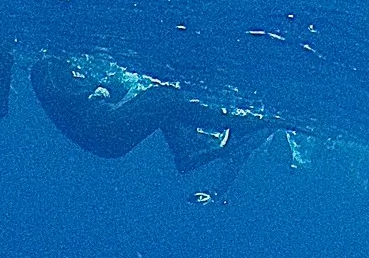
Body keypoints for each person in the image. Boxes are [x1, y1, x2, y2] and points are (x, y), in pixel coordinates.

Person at [31, 55, 275, 197]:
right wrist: (91, 92)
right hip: (101, 129)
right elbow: (54, 92)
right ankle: (232, 123)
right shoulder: (46, 65)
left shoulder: (63, 63)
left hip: (102, 135)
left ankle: (189, 152)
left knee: (158, 104)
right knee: (163, 98)